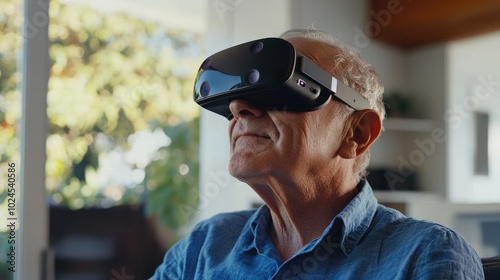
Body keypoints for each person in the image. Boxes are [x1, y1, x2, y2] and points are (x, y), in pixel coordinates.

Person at [150, 29, 484, 279]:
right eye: (233, 102)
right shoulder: (203, 247)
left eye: (280, 90)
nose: (239, 107)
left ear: (357, 133)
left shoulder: (424, 255)